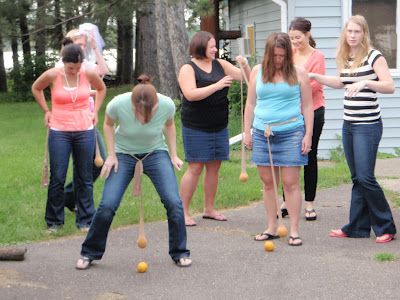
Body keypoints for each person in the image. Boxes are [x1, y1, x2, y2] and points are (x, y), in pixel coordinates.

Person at [76, 74, 191, 270]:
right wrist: (111, 155)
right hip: (124, 154)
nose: (144, 118)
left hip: (155, 153)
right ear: (133, 105)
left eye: (150, 112)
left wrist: (173, 155)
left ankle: (179, 252)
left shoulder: (166, 105)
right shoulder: (118, 104)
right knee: (107, 205)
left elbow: (170, 126)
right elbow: (108, 125)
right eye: (139, 113)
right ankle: (89, 252)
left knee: (174, 202)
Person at [309, 15, 396, 243]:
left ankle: (386, 226)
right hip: (349, 124)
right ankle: (357, 227)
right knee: (357, 178)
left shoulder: (374, 56)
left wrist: (366, 82)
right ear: (345, 34)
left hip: (368, 126)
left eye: (357, 32)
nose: (353, 35)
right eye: (350, 32)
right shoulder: (347, 57)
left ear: (364, 33)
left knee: (366, 177)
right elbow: (341, 82)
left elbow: (389, 86)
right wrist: (315, 76)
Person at [243, 32, 313, 246]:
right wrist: (247, 131)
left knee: (290, 183)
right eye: (275, 56)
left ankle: (293, 230)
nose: (279, 60)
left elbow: (308, 106)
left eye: (283, 56)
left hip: (291, 132)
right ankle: (272, 227)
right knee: (268, 183)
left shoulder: (299, 73)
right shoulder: (257, 71)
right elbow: (251, 104)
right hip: (263, 134)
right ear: (268, 54)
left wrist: (308, 134)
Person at [178, 31, 251, 226]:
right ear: (201, 46)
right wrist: (217, 85)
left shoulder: (221, 64)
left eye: (215, 46)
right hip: (196, 125)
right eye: (212, 46)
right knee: (195, 167)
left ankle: (209, 209)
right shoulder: (188, 68)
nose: (215, 49)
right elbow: (190, 94)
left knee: (214, 167)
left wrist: (244, 64)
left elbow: (245, 79)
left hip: (219, 124)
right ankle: (182, 212)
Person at [32, 44, 106, 232]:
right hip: (59, 130)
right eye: (70, 67)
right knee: (57, 176)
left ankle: (86, 220)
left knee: (84, 176)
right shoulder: (52, 74)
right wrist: (46, 111)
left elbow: (101, 89)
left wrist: (95, 111)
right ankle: (54, 222)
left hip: (84, 129)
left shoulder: (88, 73)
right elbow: (36, 88)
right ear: (63, 63)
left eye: (77, 67)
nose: (74, 71)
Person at [279, 17, 326, 221]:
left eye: (297, 37)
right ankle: (286, 201)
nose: (294, 41)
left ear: (307, 35)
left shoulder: (318, 57)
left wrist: (290, 87)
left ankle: (309, 203)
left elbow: (314, 86)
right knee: (288, 158)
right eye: (291, 38)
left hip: (313, 111)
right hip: (289, 113)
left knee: (309, 156)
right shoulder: (290, 54)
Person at [62, 28, 109, 213]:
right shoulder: (65, 66)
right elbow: (70, 91)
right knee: (87, 163)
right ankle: (74, 201)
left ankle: (69, 197)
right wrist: (91, 92)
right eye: (78, 44)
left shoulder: (86, 64)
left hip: (89, 119)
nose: (82, 48)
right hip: (71, 121)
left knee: (98, 163)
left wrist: (96, 47)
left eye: (84, 45)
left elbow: (104, 71)